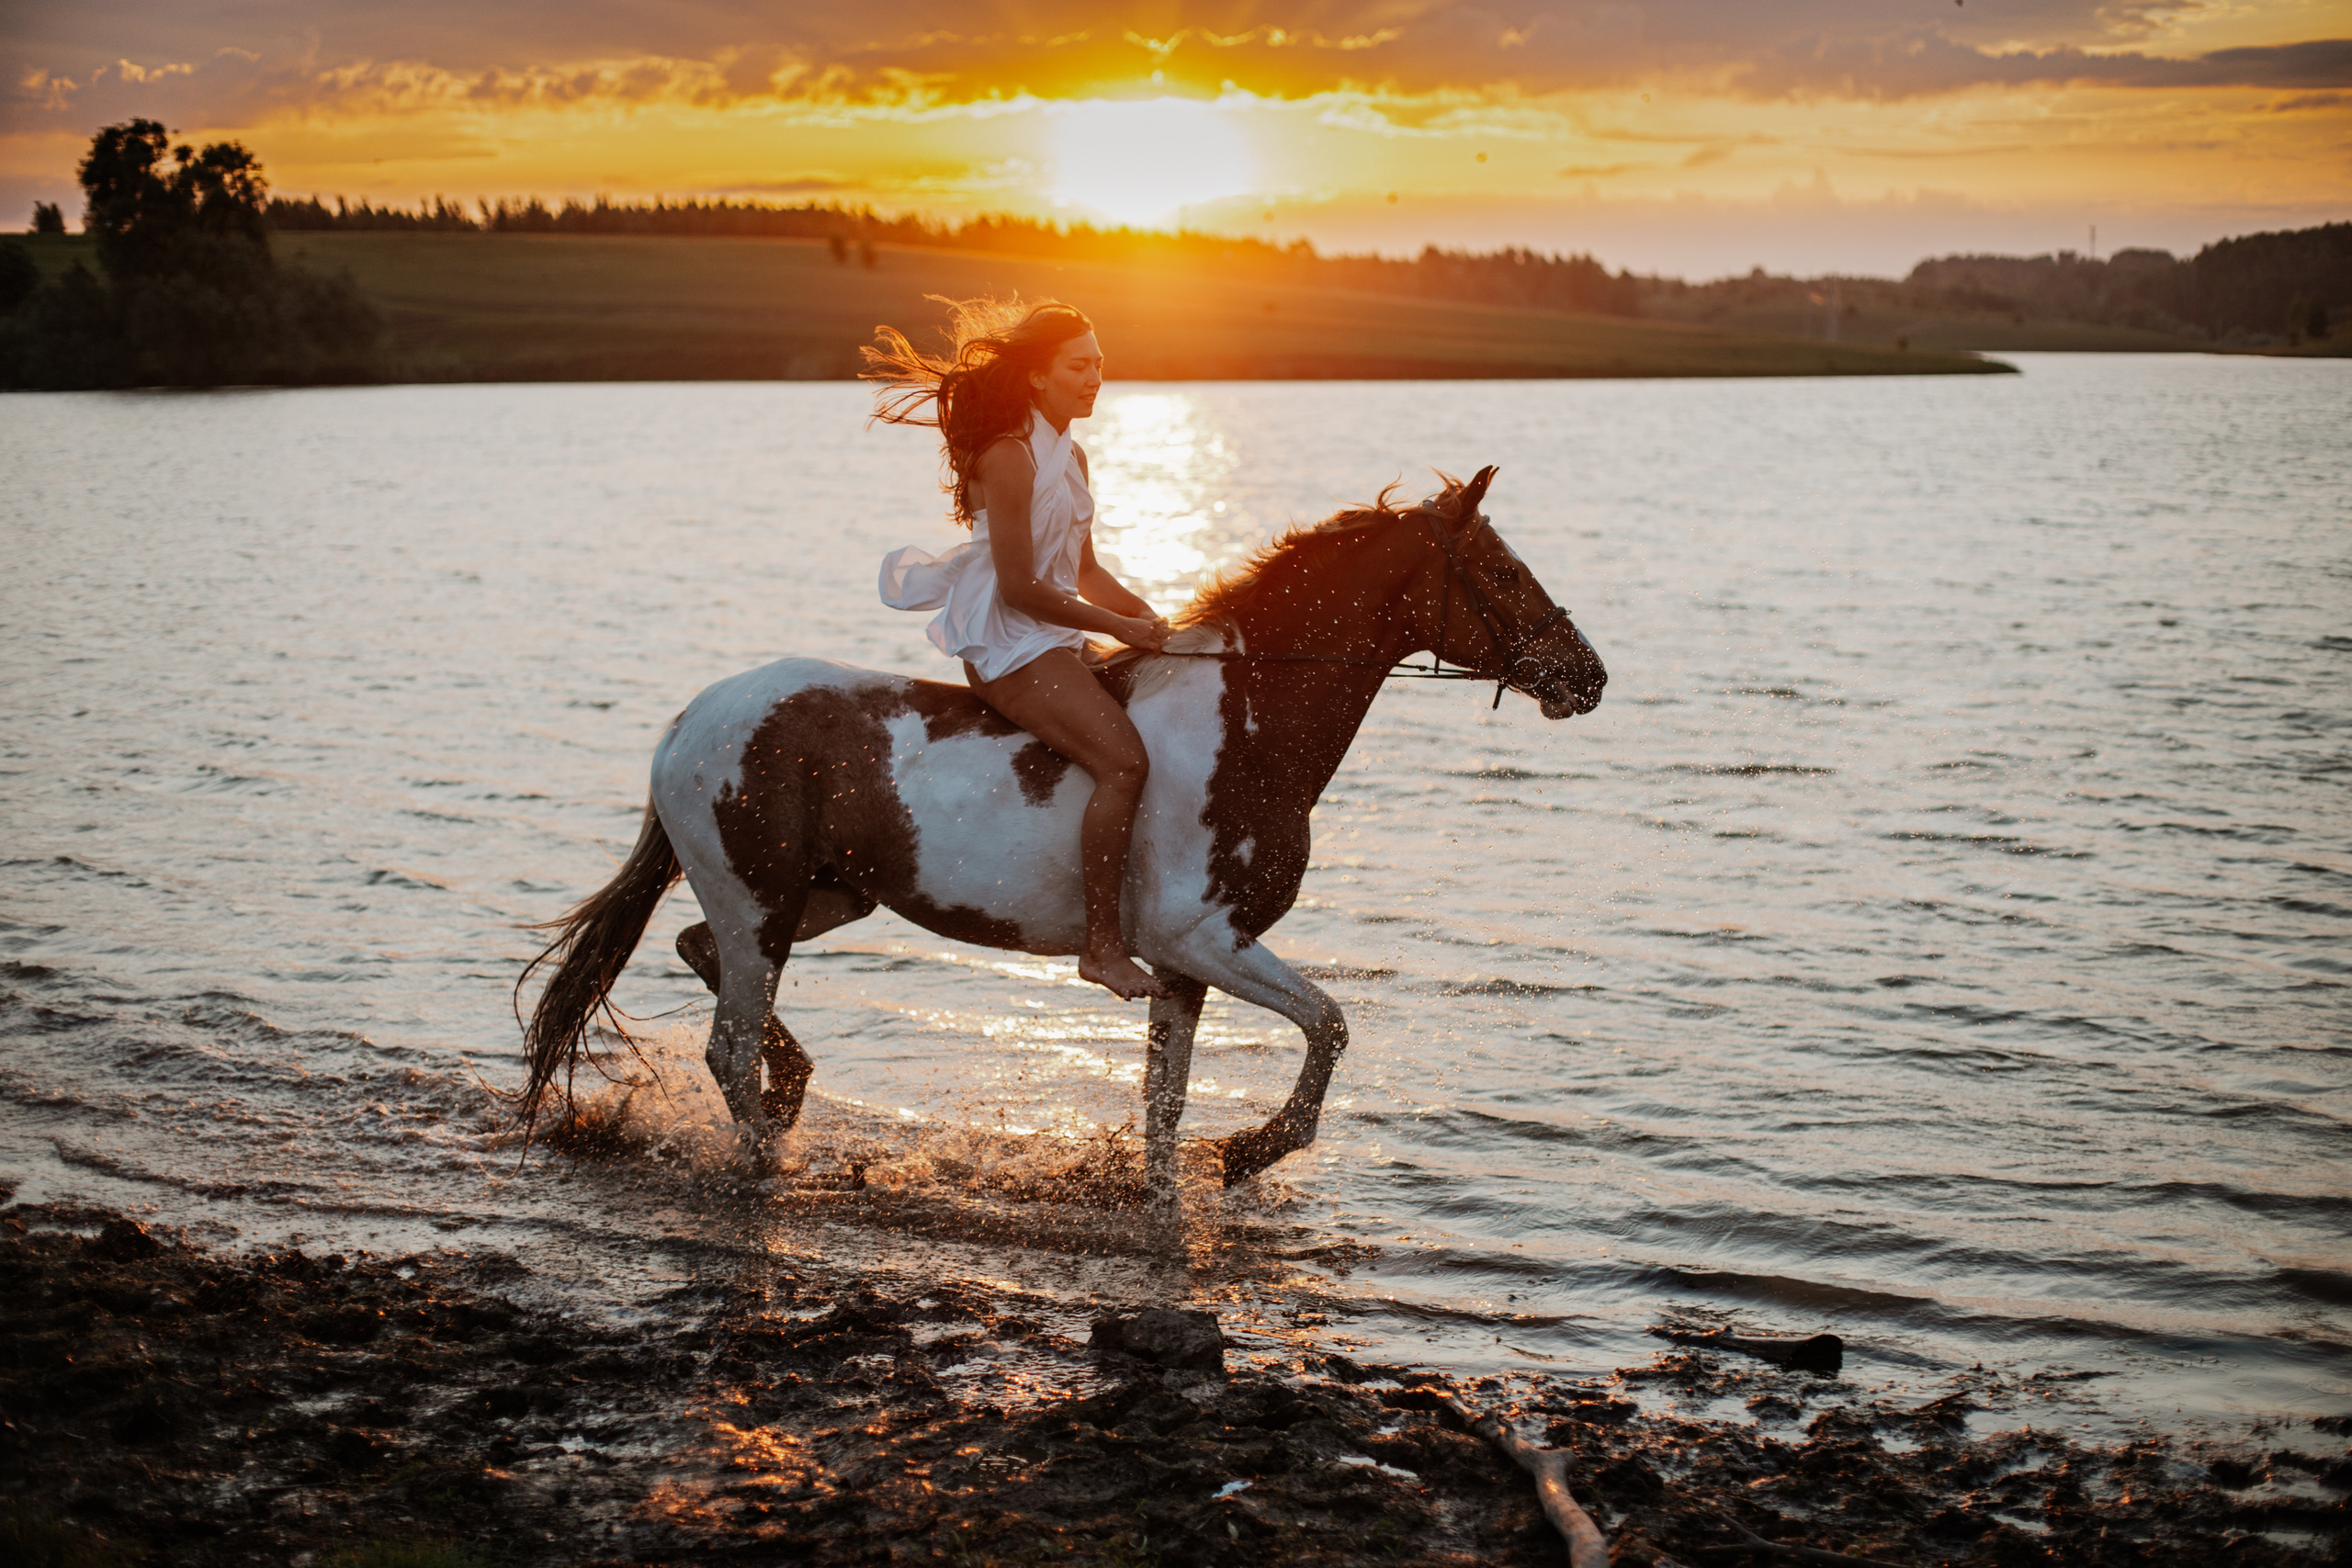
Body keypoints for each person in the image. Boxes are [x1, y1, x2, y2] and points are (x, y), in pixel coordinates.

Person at [866, 299, 1173, 1000]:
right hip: (1007, 641)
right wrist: (1117, 630)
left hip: (1058, 633)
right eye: (1078, 365)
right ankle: (1101, 947)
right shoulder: (1007, 454)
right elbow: (1019, 585)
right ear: (1037, 378)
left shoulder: (1075, 455)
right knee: (1125, 762)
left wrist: (1157, 621)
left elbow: (1087, 571)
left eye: (1099, 363)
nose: (1095, 377)